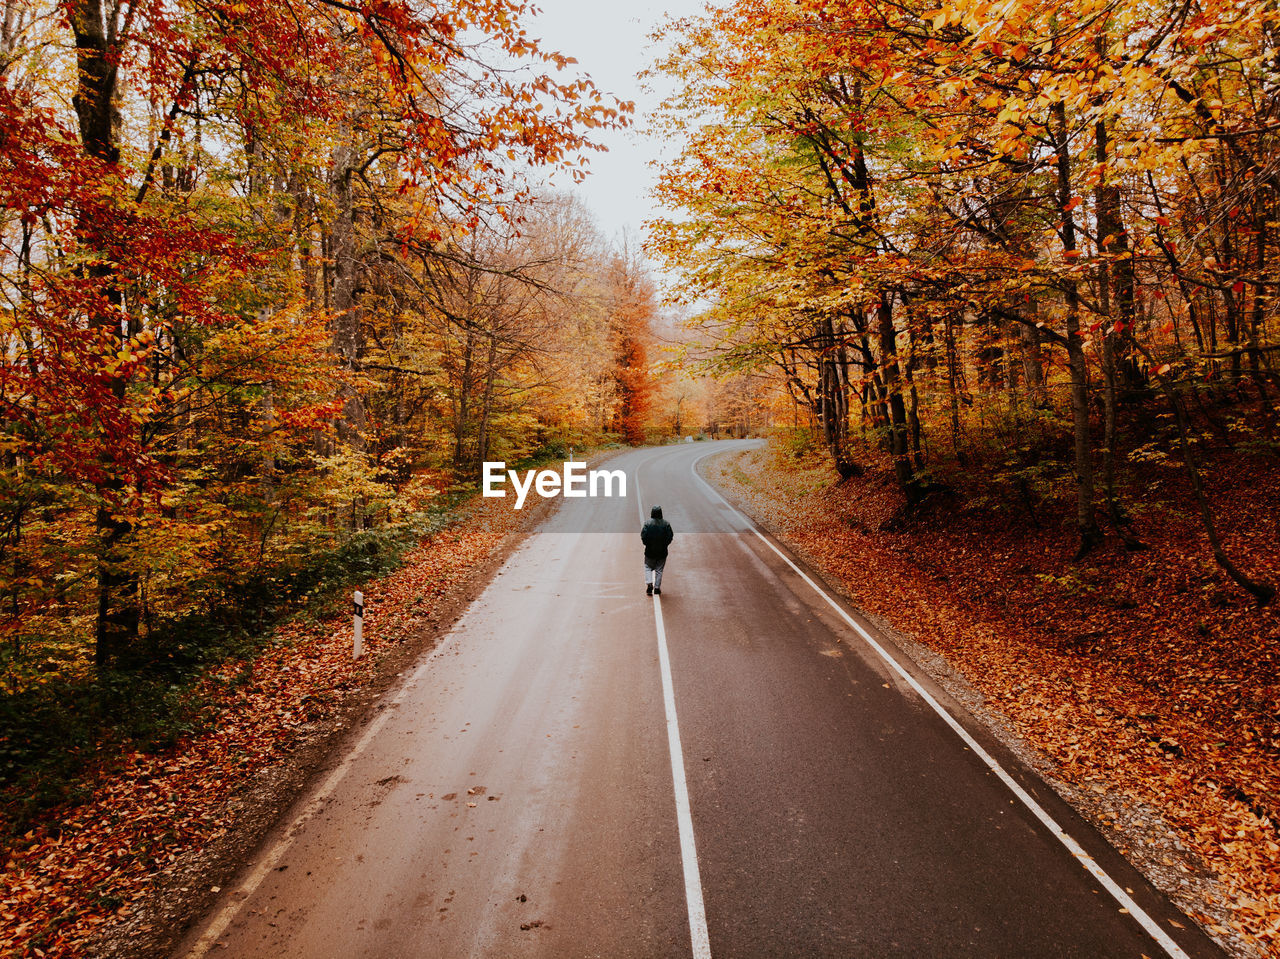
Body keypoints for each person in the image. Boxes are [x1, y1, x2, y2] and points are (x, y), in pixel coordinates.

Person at [641, 505, 674, 596]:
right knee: (659, 569)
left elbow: (643, 536)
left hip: (649, 550)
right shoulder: (666, 524)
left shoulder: (647, 523)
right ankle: (657, 588)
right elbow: (670, 536)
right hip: (662, 551)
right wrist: (665, 544)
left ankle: (649, 583)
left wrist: (647, 544)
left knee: (647, 567)